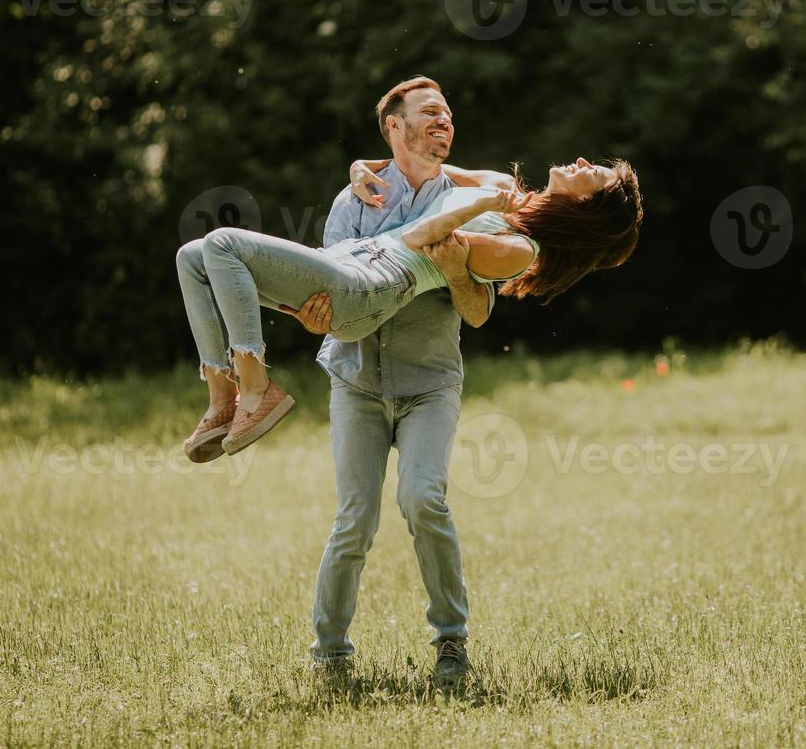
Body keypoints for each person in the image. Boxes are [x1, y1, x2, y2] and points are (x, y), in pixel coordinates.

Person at [172, 76, 642, 681]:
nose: (581, 161)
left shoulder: (518, 241)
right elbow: (419, 192)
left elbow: (469, 298)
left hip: (424, 375)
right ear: (398, 125)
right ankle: (225, 399)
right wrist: (364, 170)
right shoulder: (472, 192)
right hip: (356, 367)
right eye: (427, 114)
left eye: (593, 174)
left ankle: (451, 641)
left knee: (424, 501)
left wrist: (453, 267)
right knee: (352, 520)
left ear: (585, 207)